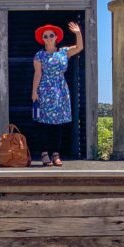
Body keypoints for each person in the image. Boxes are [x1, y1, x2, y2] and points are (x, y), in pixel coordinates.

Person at [31, 21, 84, 167]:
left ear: (56, 37)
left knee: (58, 123)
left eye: (51, 35)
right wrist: (34, 92)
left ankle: (56, 154)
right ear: (42, 39)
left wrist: (78, 32)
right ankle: (44, 153)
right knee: (44, 123)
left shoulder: (63, 52)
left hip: (61, 91)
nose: (48, 38)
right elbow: (38, 73)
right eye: (45, 36)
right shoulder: (39, 55)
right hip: (45, 90)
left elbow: (79, 47)